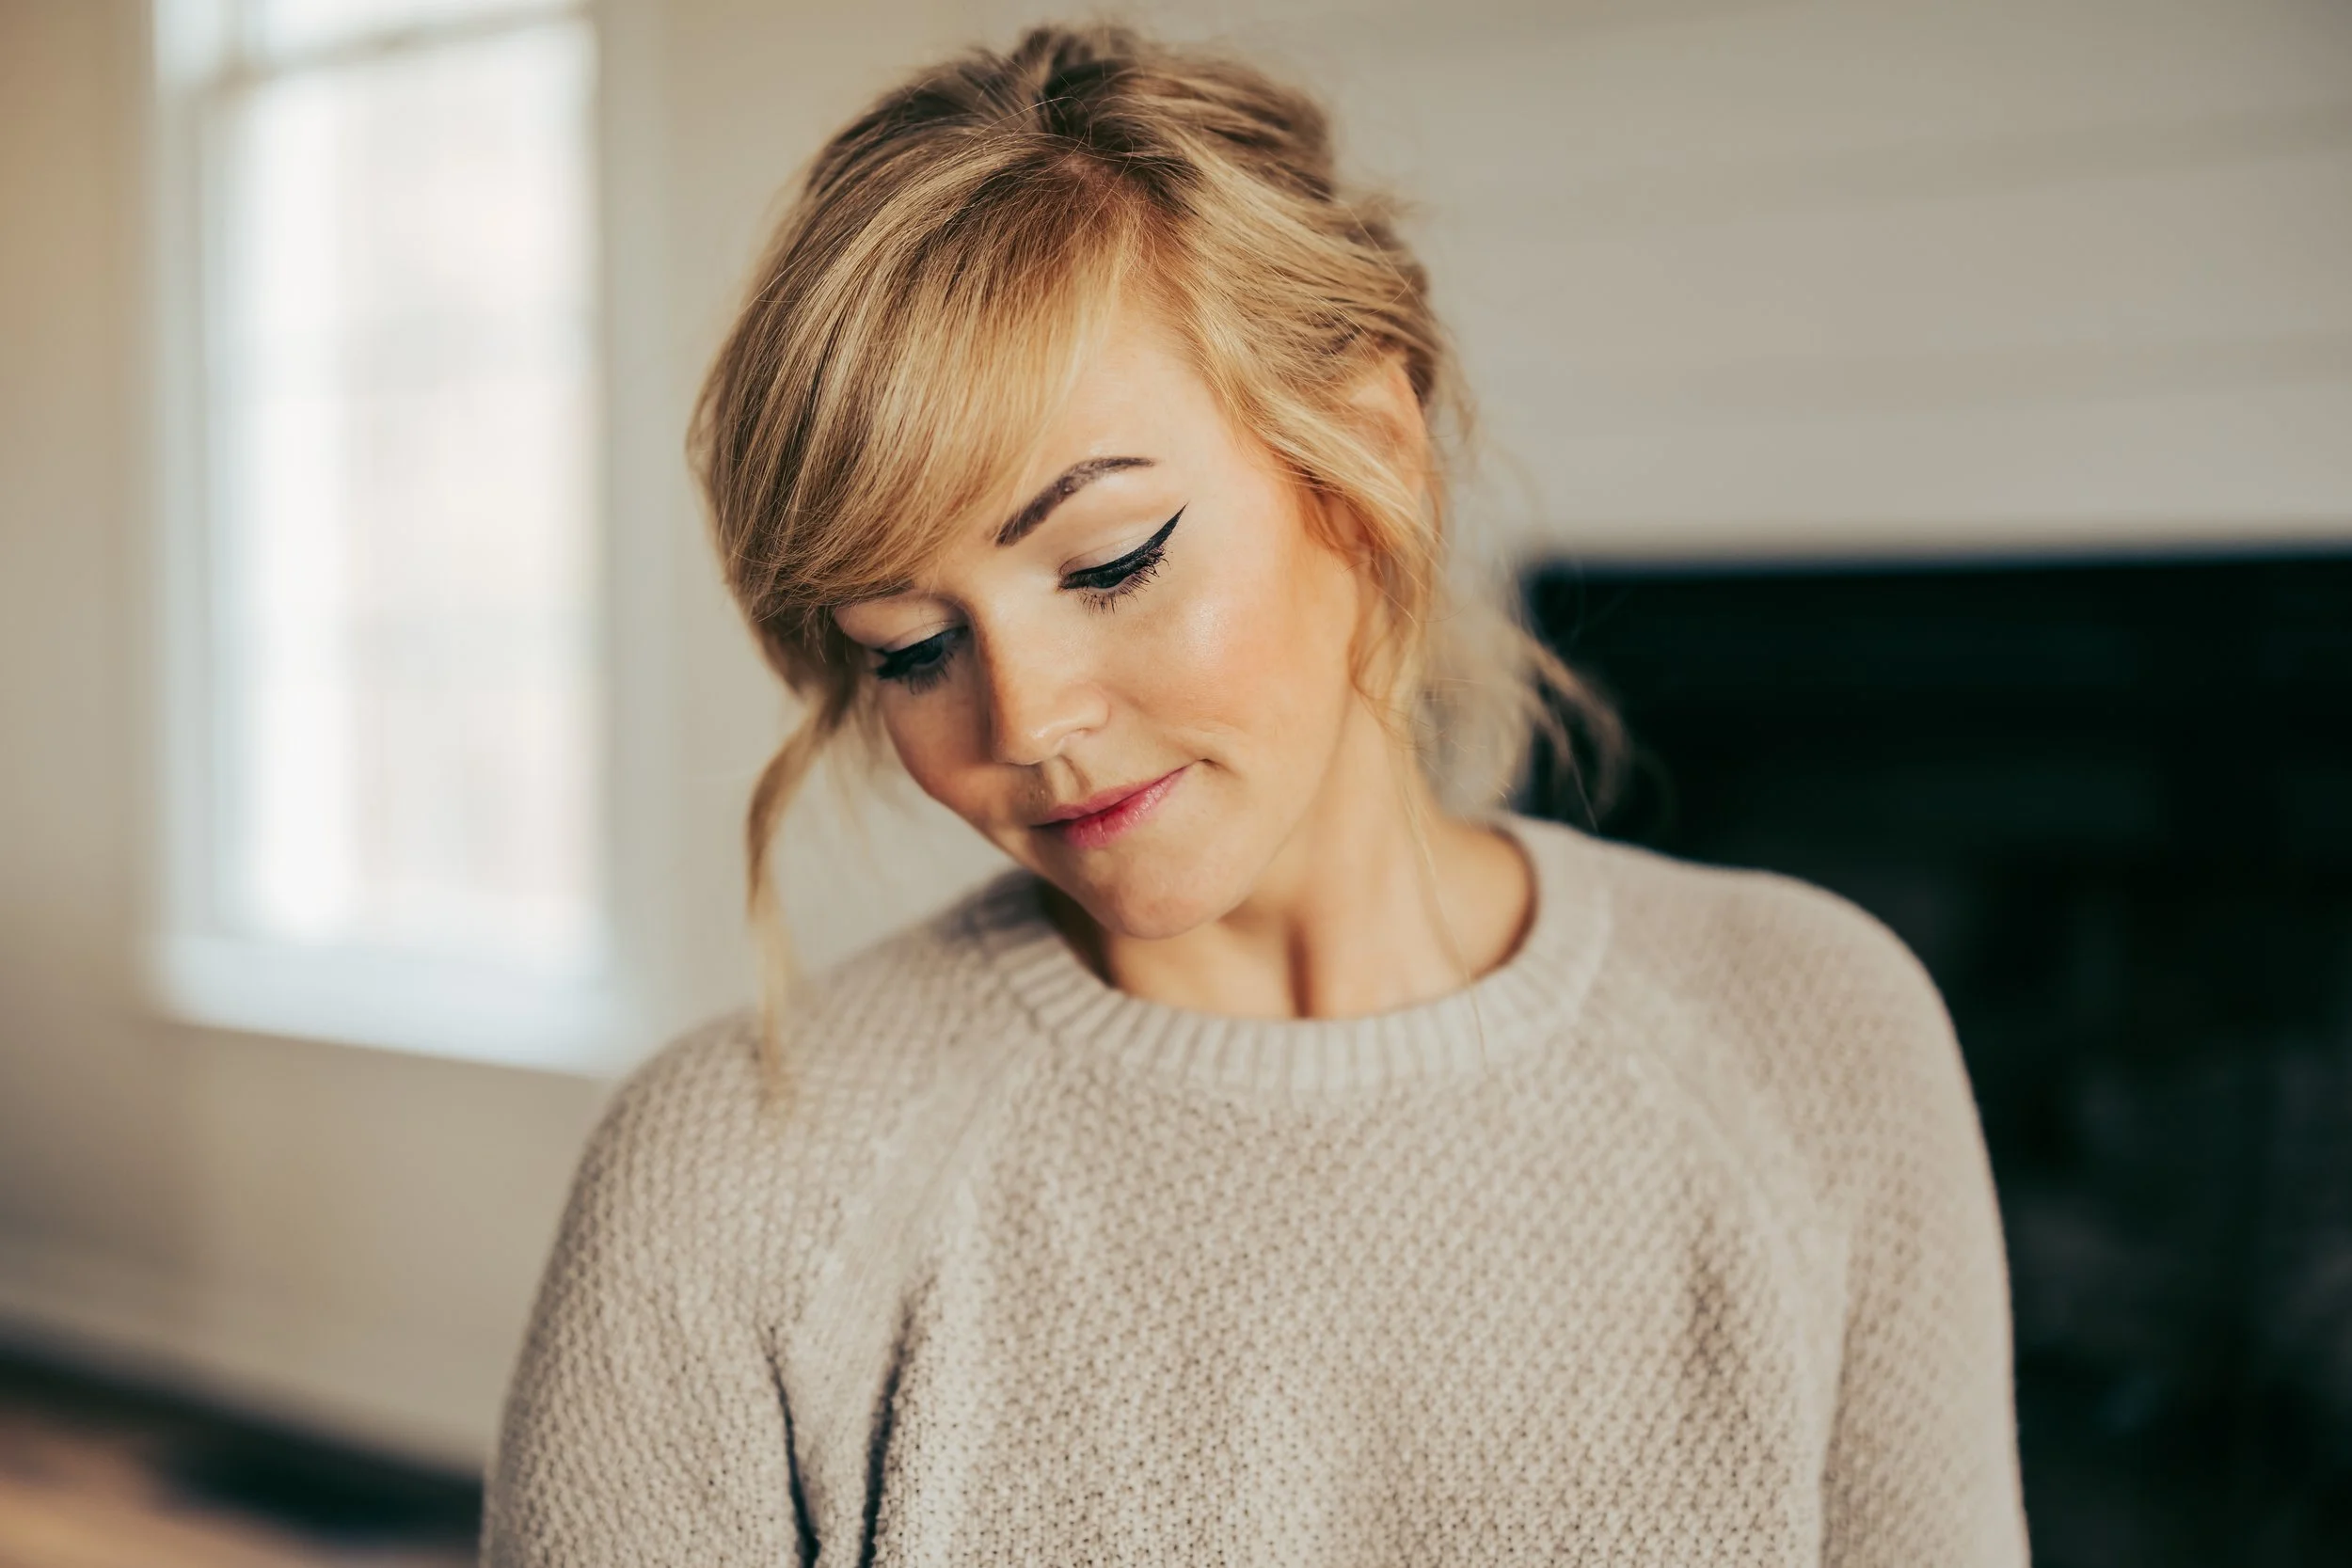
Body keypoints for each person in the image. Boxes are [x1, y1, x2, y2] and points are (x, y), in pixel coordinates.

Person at [483, 23, 2027, 1566]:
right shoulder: (726, 1185)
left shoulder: (1817, 1034)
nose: (1026, 720)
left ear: (1366, 458)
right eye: (911, 646)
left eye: (1111, 562)